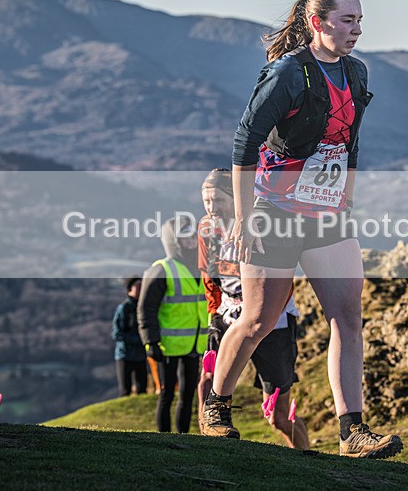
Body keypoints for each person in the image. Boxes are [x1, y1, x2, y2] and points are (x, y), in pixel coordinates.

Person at [200, 0, 402, 459]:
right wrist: (245, 220)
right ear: (317, 22)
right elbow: (244, 145)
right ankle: (217, 406)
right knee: (258, 319)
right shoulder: (287, 73)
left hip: (327, 213)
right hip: (274, 211)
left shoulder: (356, 72)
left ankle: (352, 431)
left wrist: (346, 197)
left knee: (347, 318)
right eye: (347, 20)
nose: (357, 30)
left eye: (359, 20)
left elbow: (349, 141)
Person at [197, 168, 310, 449]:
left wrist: (261, 314)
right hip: (226, 313)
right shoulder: (206, 228)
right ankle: (209, 442)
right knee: (207, 382)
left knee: (277, 416)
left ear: (235, 198)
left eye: (218, 200)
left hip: (271, 320)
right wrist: (214, 312)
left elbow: (283, 278)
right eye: (207, 201)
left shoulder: (261, 223)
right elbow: (207, 275)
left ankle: (307, 458)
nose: (211, 207)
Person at [138, 218, 208, 433]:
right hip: (167, 346)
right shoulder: (162, 269)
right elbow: (146, 309)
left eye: (193, 236)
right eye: (185, 238)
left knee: (188, 395)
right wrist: (151, 342)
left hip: (195, 344)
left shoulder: (203, 267)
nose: (191, 241)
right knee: (166, 394)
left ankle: (183, 437)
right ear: (174, 241)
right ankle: (163, 439)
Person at [112, 275, 148, 397]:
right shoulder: (124, 308)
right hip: (125, 355)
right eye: (137, 286)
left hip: (140, 355)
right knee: (125, 391)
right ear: (129, 289)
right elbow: (117, 333)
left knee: (142, 389)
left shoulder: (144, 307)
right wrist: (138, 340)